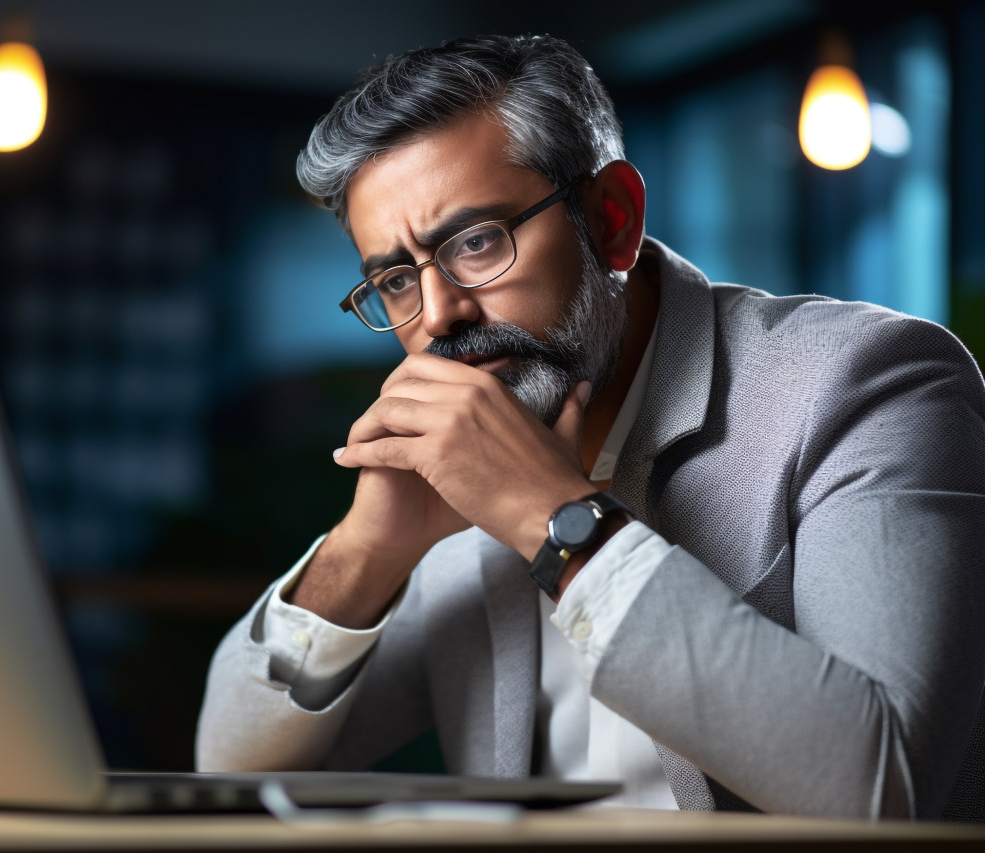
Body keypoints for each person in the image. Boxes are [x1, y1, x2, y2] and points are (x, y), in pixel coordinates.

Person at [195, 34, 985, 819]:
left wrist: (559, 523)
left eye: (476, 242)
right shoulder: (451, 468)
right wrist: (367, 551)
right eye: (397, 280)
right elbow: (229, 766)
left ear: (613, 220)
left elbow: (885, 789)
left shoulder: (868, 381)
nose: (439, 315)